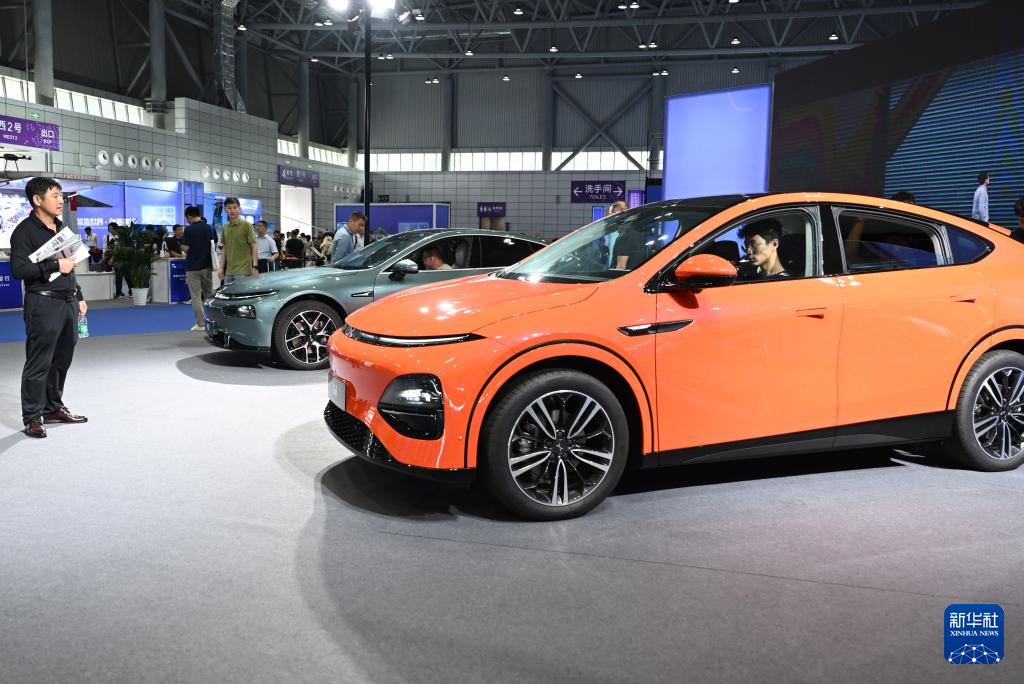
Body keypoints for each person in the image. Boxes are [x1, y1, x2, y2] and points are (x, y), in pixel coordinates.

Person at [9, 177, 89, 438]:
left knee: (62, 360)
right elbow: (19, 270)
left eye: (61, 195)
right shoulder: (24, 231)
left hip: (68, 302)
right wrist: (55, 265)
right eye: (54, 195)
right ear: (37, 200)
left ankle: (53, 407)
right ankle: (32, 416)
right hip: (43, 303)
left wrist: (79, 295)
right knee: (39, 361)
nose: (60, 200)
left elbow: (71, 265)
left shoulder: (61, 227)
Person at [181, 205, 216, 331]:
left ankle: (201, 323)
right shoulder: (209, 228)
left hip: (192, 267)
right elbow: (214, 245)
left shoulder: (189, 230)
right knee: (209, 295)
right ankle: (215, 320)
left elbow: (185, 248)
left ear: (189, 217)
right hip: (207, 266)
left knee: (195, 296)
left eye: (187, 219)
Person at [218, 197, 256, 286]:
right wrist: (221, 268)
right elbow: (224, 249)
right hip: (228, 272)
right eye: (229, 208)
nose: (232, 210)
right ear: (225, 210)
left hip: (243, 272)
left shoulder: (246, 225)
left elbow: (254, 245)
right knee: (227, 294)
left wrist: (255, 266)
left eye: (235, 207)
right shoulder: (225, 227)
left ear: (239, 208)